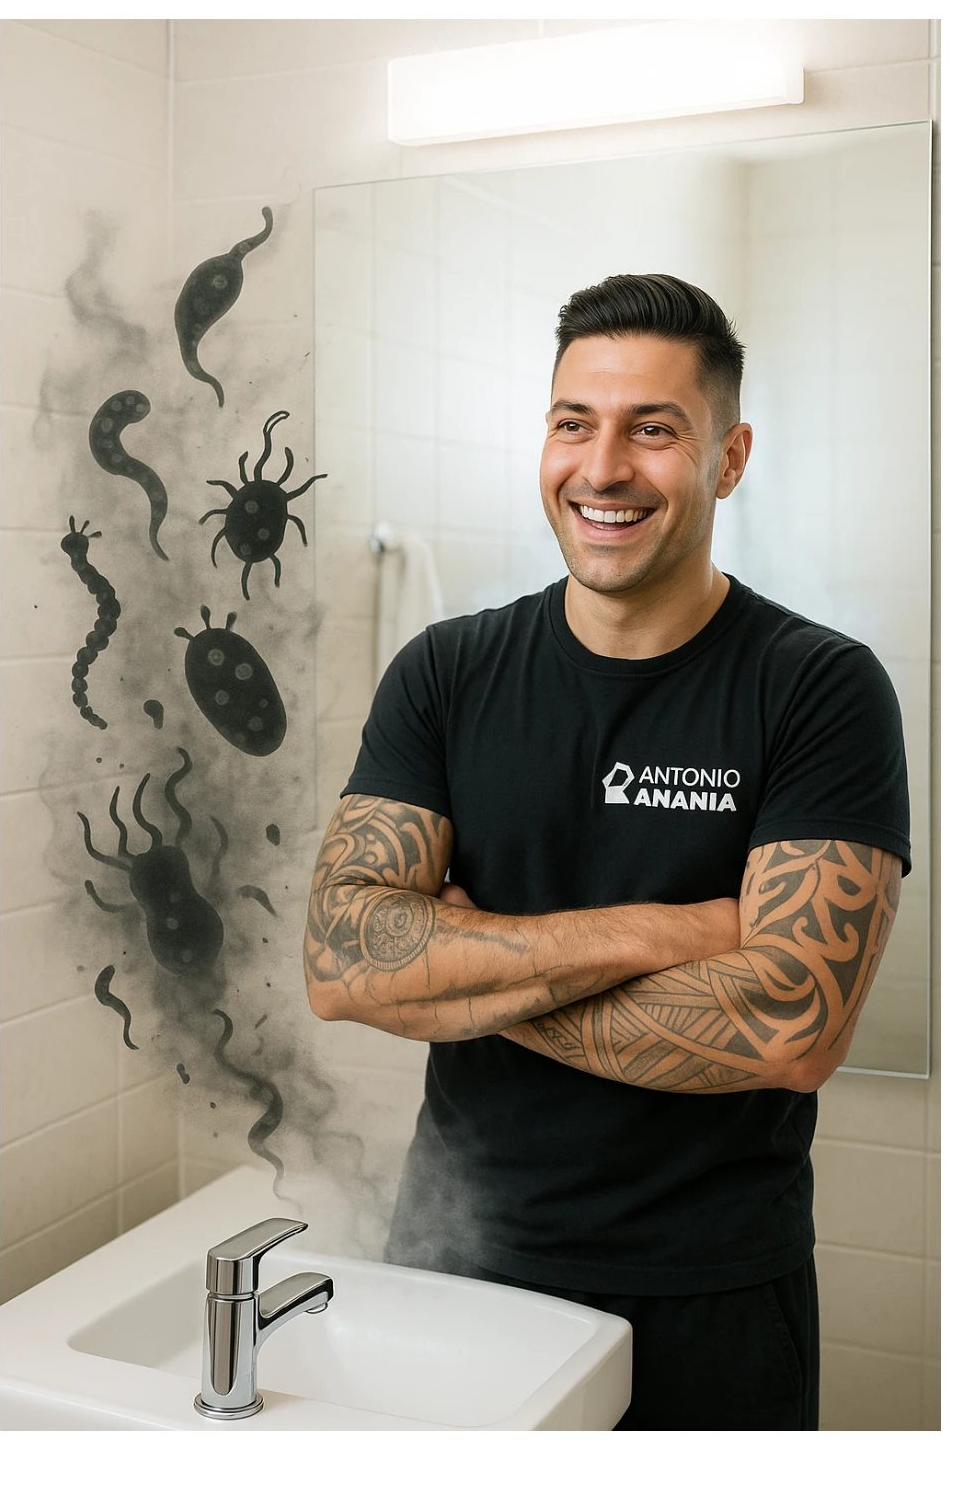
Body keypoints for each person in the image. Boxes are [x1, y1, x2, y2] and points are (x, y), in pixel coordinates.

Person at [303, 274, 910, 1431]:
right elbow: (341, 965)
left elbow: (789, 1028)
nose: (602, 467)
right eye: (573, 422)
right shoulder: (446, 672)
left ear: (728, 459)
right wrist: (666, 930)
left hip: (708, 1292)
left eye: (653, 430)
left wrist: (461, 961)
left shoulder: (819, 688)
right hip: (453, 1264)